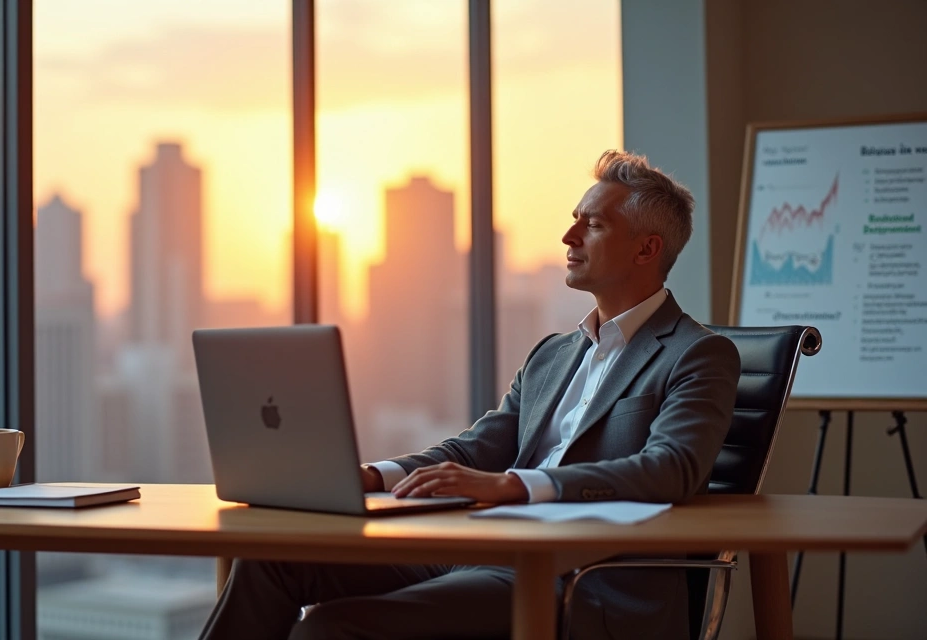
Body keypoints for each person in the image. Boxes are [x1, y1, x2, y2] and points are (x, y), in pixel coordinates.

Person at [198, 150, 741, 640]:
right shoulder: (552, 354)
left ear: (647, 248)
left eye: (592, 224)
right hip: (483, 555)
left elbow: (672, 468)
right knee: (267, 560)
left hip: (588, 584)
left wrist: (514, 485)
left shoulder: (697, 354)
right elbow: (474, 450)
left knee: (331, 629)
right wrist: (369, 476)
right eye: (574, 220)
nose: (568, 237)